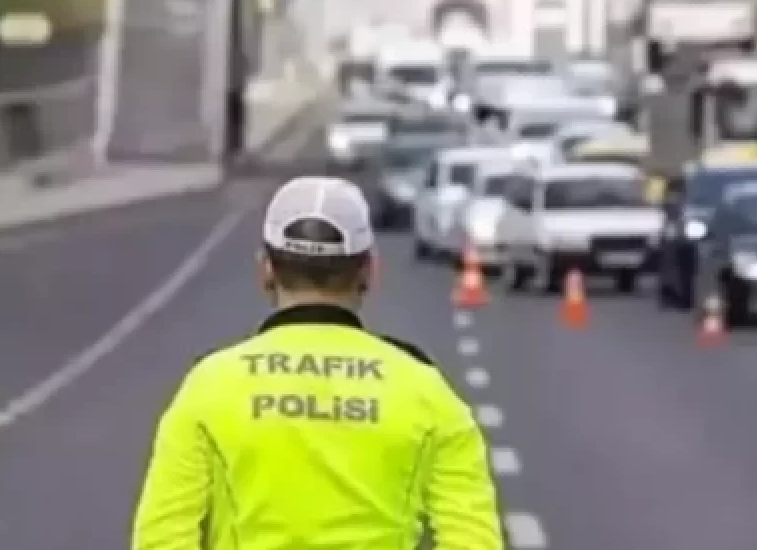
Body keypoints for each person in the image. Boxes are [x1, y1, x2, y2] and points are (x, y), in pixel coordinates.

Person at [131, 176, 503, 550]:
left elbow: (161, 538)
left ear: (266, 270)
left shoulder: (210, 387)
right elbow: (473, 541)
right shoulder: (426, 391)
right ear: (369, 271)